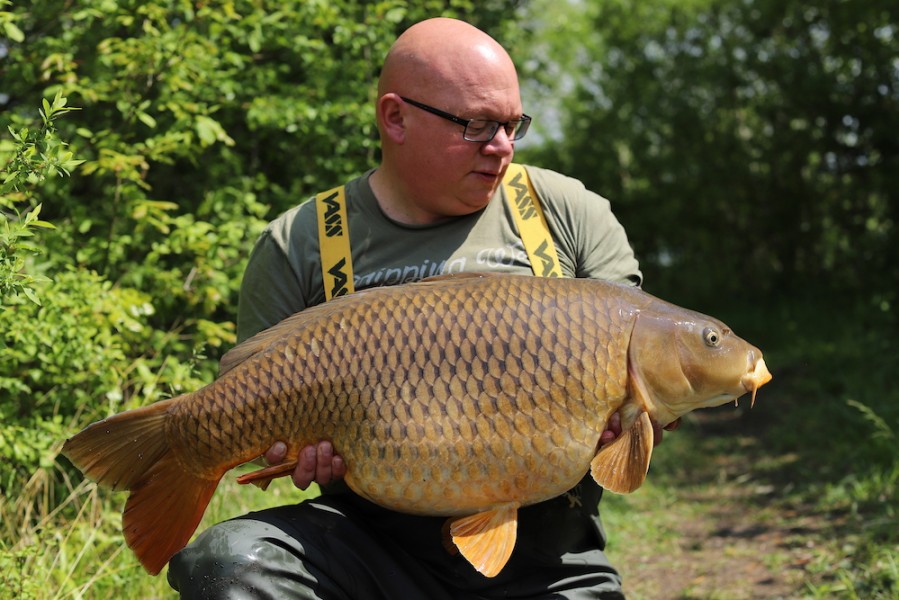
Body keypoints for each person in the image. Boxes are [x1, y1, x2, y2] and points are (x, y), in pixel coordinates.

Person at [168, 17, 675, 599]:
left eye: (512, 125)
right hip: (369, 549)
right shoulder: (302, 242)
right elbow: (256, 410)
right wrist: (292, 453)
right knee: (228, 564)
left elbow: (651, 372)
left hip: (548, 557)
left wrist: (647, 415)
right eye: (477, 125)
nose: (502, 146)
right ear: (395, 117)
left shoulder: (568, 213)